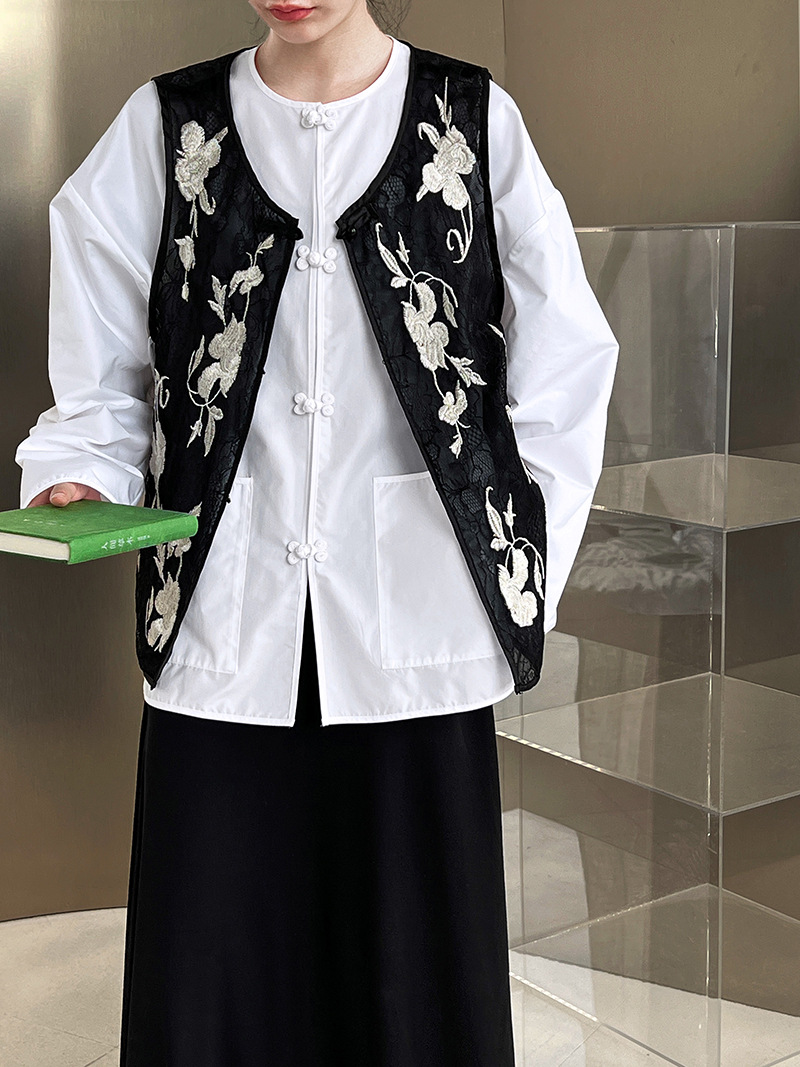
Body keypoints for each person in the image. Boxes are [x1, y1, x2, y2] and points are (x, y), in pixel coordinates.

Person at [15, 0, 619, 1063]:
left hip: (416, 623)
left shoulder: (468, 116)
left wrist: (509, 563)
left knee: (413, 988)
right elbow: (104, 362)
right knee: (218, 973)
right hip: (222, 612)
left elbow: (566, 363)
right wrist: (81, 471)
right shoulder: (169, 124)